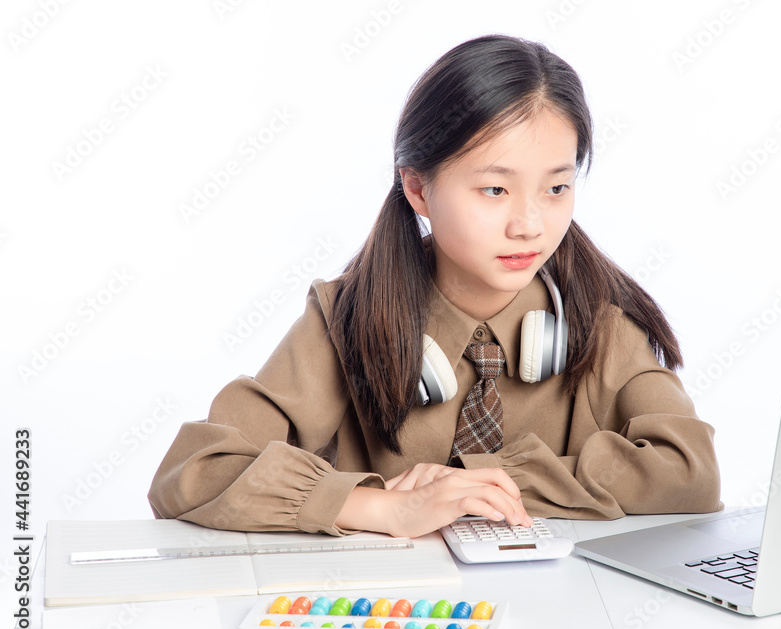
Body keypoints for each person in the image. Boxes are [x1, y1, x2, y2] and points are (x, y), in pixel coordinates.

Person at [148, 34, 723, 538]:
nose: (530, 223)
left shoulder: (597, 318)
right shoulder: (345, 319)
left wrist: (487, 483)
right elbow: (191, 472)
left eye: (556, 188)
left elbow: (691, 471)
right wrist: (389, 508)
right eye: (495, 190)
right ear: (419, 190)